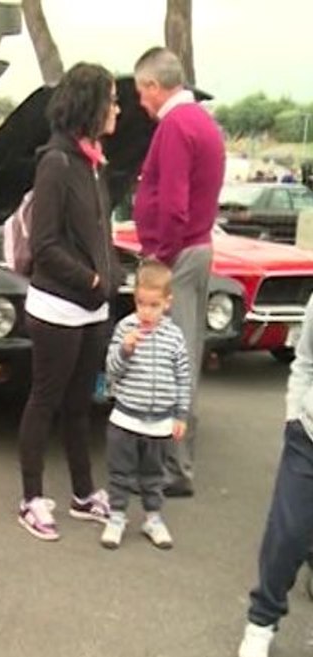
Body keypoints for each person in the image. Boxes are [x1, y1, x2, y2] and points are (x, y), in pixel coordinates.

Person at [16, 62, 124, 541]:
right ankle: (31, 499)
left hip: (93, 307)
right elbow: (45, 246)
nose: (117, 108)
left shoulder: (92, 162)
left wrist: (112, 274)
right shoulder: (56, 162)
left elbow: (97, 234)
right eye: (112, 99)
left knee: (81, 405)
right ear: (90, 105)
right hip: (57, 306)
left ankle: (83, 494)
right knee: (45, 400)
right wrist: (93, 276)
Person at [132, 47, 225, 498]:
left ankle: (175, 469)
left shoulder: (174, 126)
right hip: (198, 248)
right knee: (185, 352)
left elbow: (172, 204)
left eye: (140, 93)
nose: (140, 104)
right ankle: (174, 462)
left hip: (178, 254)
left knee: (172, 362)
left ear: (154, 85)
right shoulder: (204, 122)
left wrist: (158, 259)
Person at [236, 294, 313, 657]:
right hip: (308, 439)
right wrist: (292, 416)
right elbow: (305, 363)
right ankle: (262, 620)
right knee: (288, 533)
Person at [99, 260, 190, 550]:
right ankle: (116, 516)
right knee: (120, 472)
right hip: (125, 418)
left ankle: (153, 517)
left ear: (167, 303)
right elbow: (111, 371)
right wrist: (125, 350)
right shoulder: (125, 328)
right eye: (141, 304)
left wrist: (181, 414)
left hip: (160, 422)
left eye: (154, 305)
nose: (146, 312)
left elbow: (183, 377)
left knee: (153, 474)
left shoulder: (174, 336)